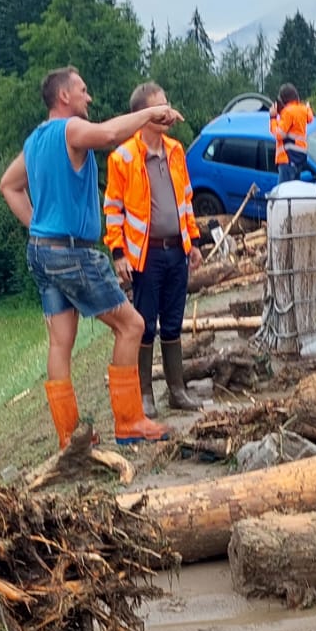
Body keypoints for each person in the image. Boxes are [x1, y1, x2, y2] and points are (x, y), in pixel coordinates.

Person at [0, 67, 183, 447]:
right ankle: (130, 421)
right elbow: (111, 134)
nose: (89, 98)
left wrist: (39, 226)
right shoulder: (71, 130)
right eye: (83, 90)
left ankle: (70, 437)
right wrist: (150, 113)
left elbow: (8, 185)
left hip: (41, 252)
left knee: (60, 342)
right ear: (64, 97)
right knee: (131, 325)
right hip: (71, 252)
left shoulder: (34, 141)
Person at [102, 81, 204, 414]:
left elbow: (186, 199)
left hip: (177, 250)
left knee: (173, 321)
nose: (167, 112)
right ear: (144, 115)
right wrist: (118, 253)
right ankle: (144, 394)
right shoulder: (124, 157)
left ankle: (177, 389)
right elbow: (113, 208)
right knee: (145, 322)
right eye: (159, 108)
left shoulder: (175, 151)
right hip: (145, 254)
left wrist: (194, 242)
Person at [270, 82, 314, 185]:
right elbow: (310, 117)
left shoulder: (288, 113)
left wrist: (273, 118)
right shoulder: (303, 109)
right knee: (294, 195)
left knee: (283, 195)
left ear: (283, 99)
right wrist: (307, 107)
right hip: (299, 159)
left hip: (288, 159)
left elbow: (279, 134)